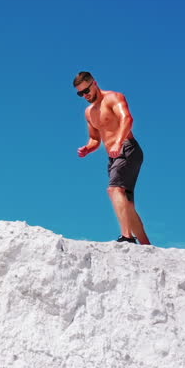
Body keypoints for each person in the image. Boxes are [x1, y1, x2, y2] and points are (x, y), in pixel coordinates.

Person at [73, 71, 152, 245]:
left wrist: (118, 142)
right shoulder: (89, 112)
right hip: (114, 156)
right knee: (126, 203)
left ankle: (127, 238)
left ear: (94, 83)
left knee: (114, 190)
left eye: (86, 90)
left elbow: (127, 119)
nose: (85, 95)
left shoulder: (113, 98)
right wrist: (88, 148)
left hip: (127, 148)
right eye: (80, 94)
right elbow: (95, 139)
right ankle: (147, 246)